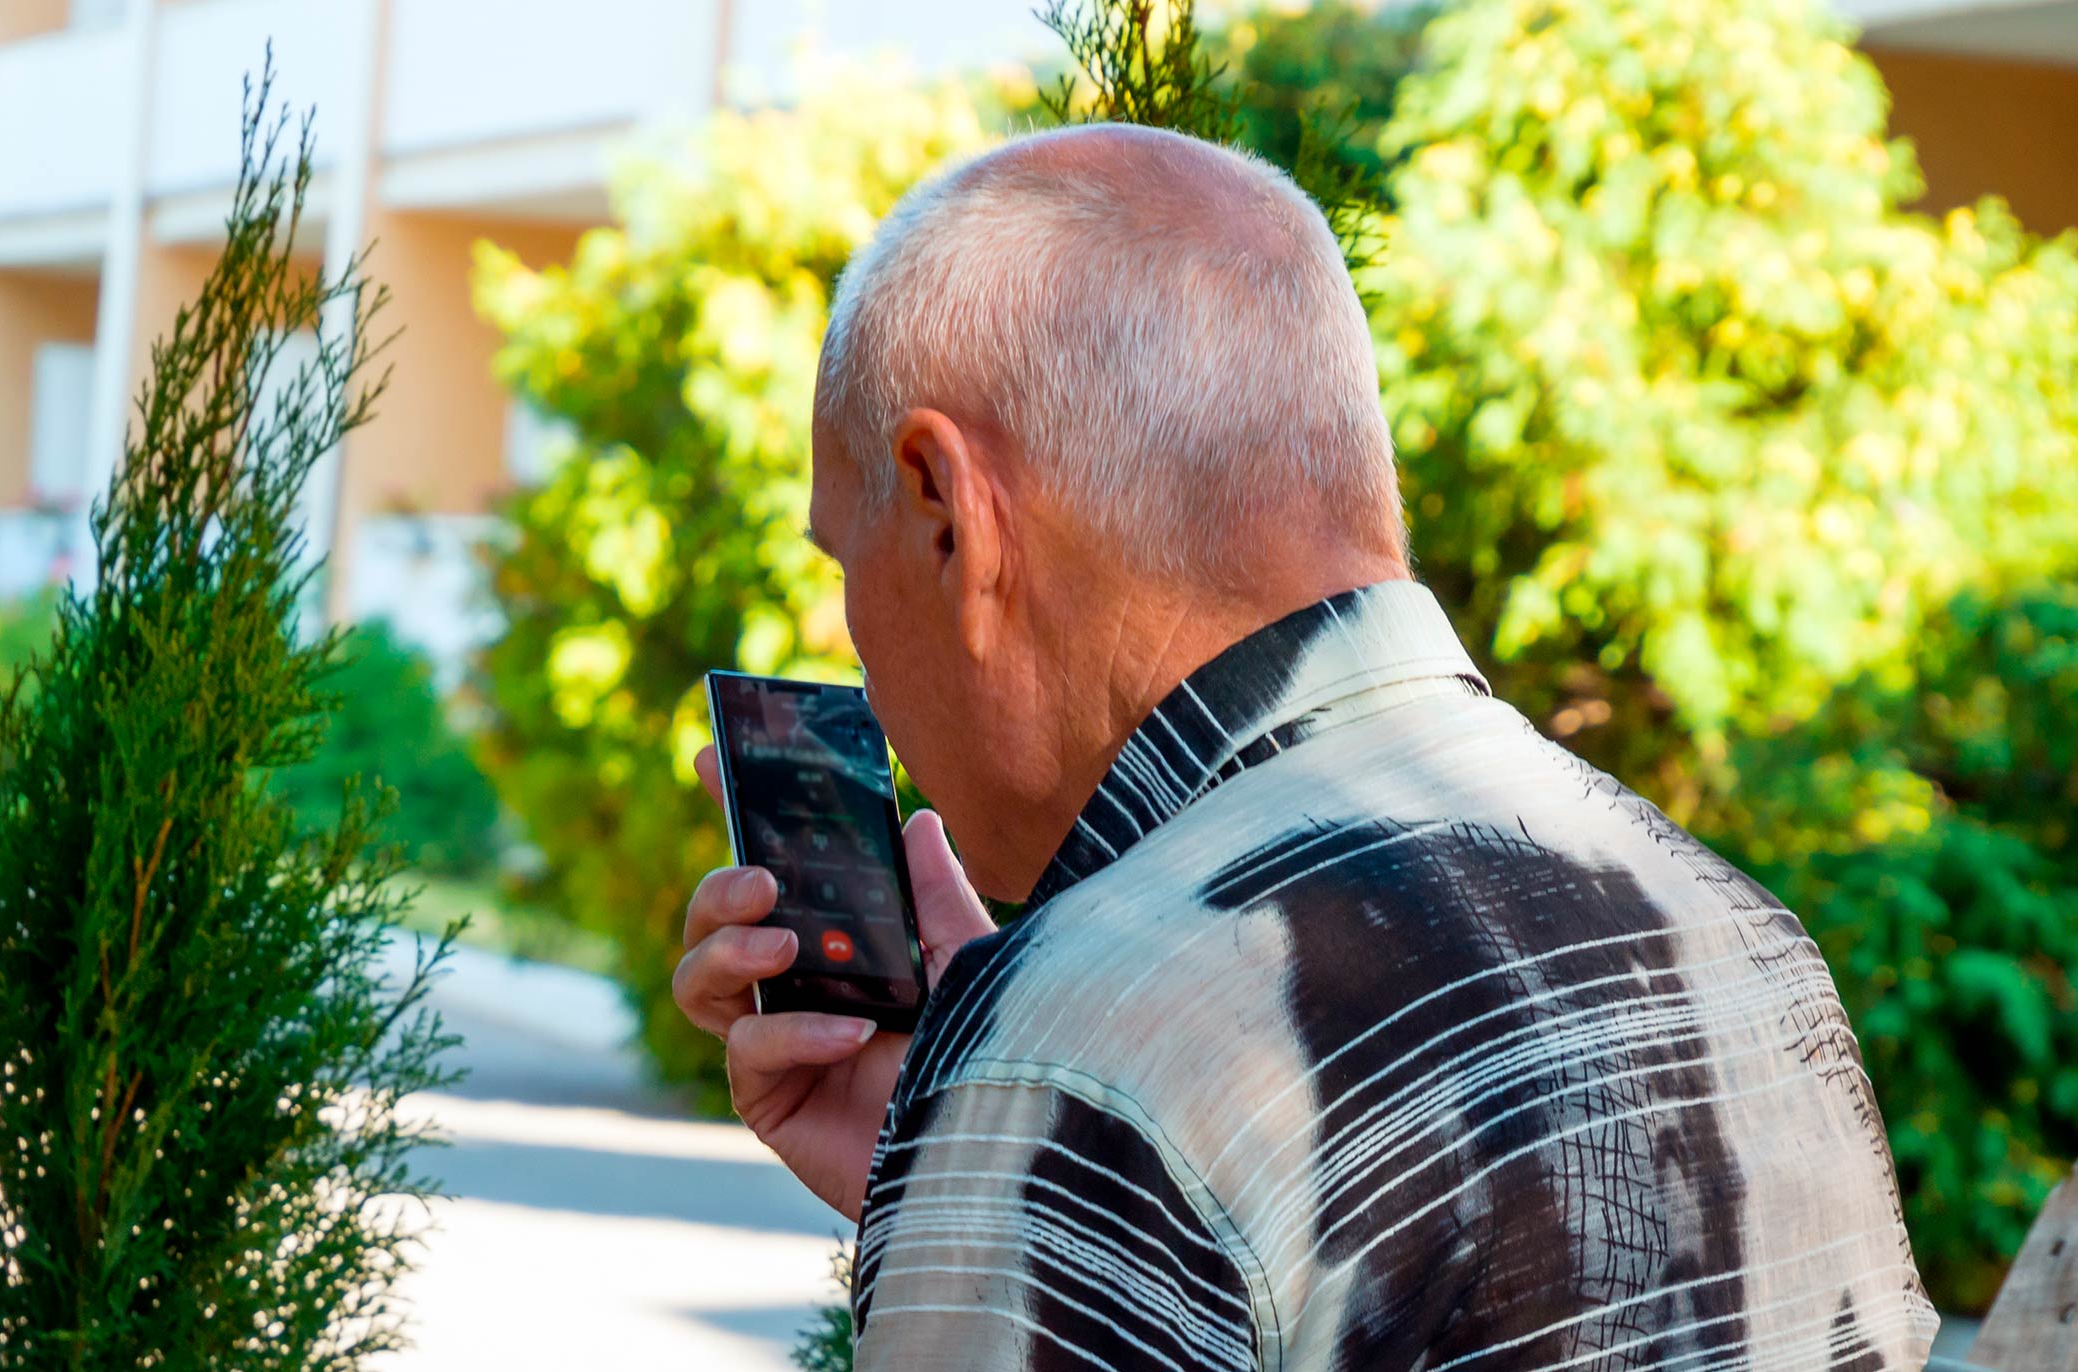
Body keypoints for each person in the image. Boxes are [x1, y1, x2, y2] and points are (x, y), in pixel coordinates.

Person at [672, 123, 1939, 1371]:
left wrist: (1029, 1117)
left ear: (948, 512)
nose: (855, 640)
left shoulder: (1091, 1068)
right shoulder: (1751, 946)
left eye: (846, 552)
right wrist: (970, 1177)